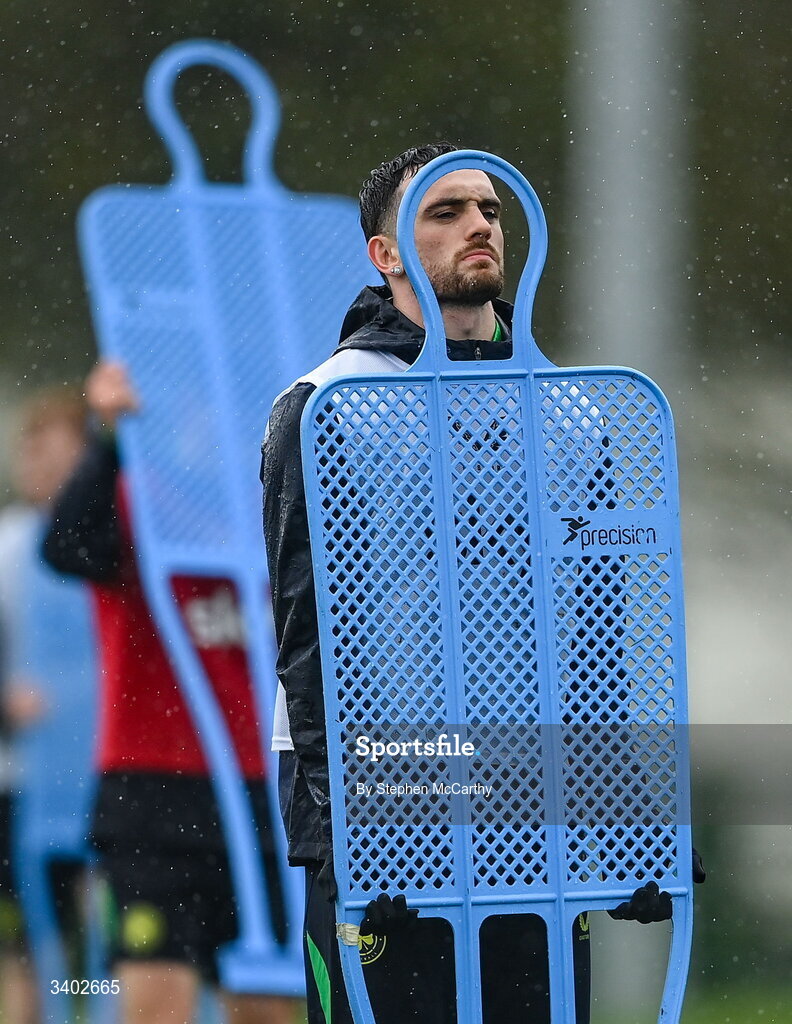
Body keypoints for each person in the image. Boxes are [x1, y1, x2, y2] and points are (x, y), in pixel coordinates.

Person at [261, 143, 704, 1023]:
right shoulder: (328, 403)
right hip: (392, 782)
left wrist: (629, 817)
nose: (477, 227)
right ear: (385, 253)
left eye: (490, 210)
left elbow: (597, 636)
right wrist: (342, 827)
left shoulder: (573, 410)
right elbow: (307, 635)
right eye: (445, 211)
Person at [42, 362, 298, 1024]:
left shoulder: (265, 509)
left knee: (267, 1008)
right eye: (193, 407)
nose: (208, 424)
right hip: (152, 793)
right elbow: (65, 547)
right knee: (157, 1006)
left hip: (257, 792)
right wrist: (105, 436)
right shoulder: (137, 497)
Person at [0, 386, 96, 1024]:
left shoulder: (113, 539)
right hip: (19, 784)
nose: (37, 467)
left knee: (108, 948)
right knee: (22, 951)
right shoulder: (8, 544)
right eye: (28, 452)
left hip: (106, 780)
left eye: (52, 452)